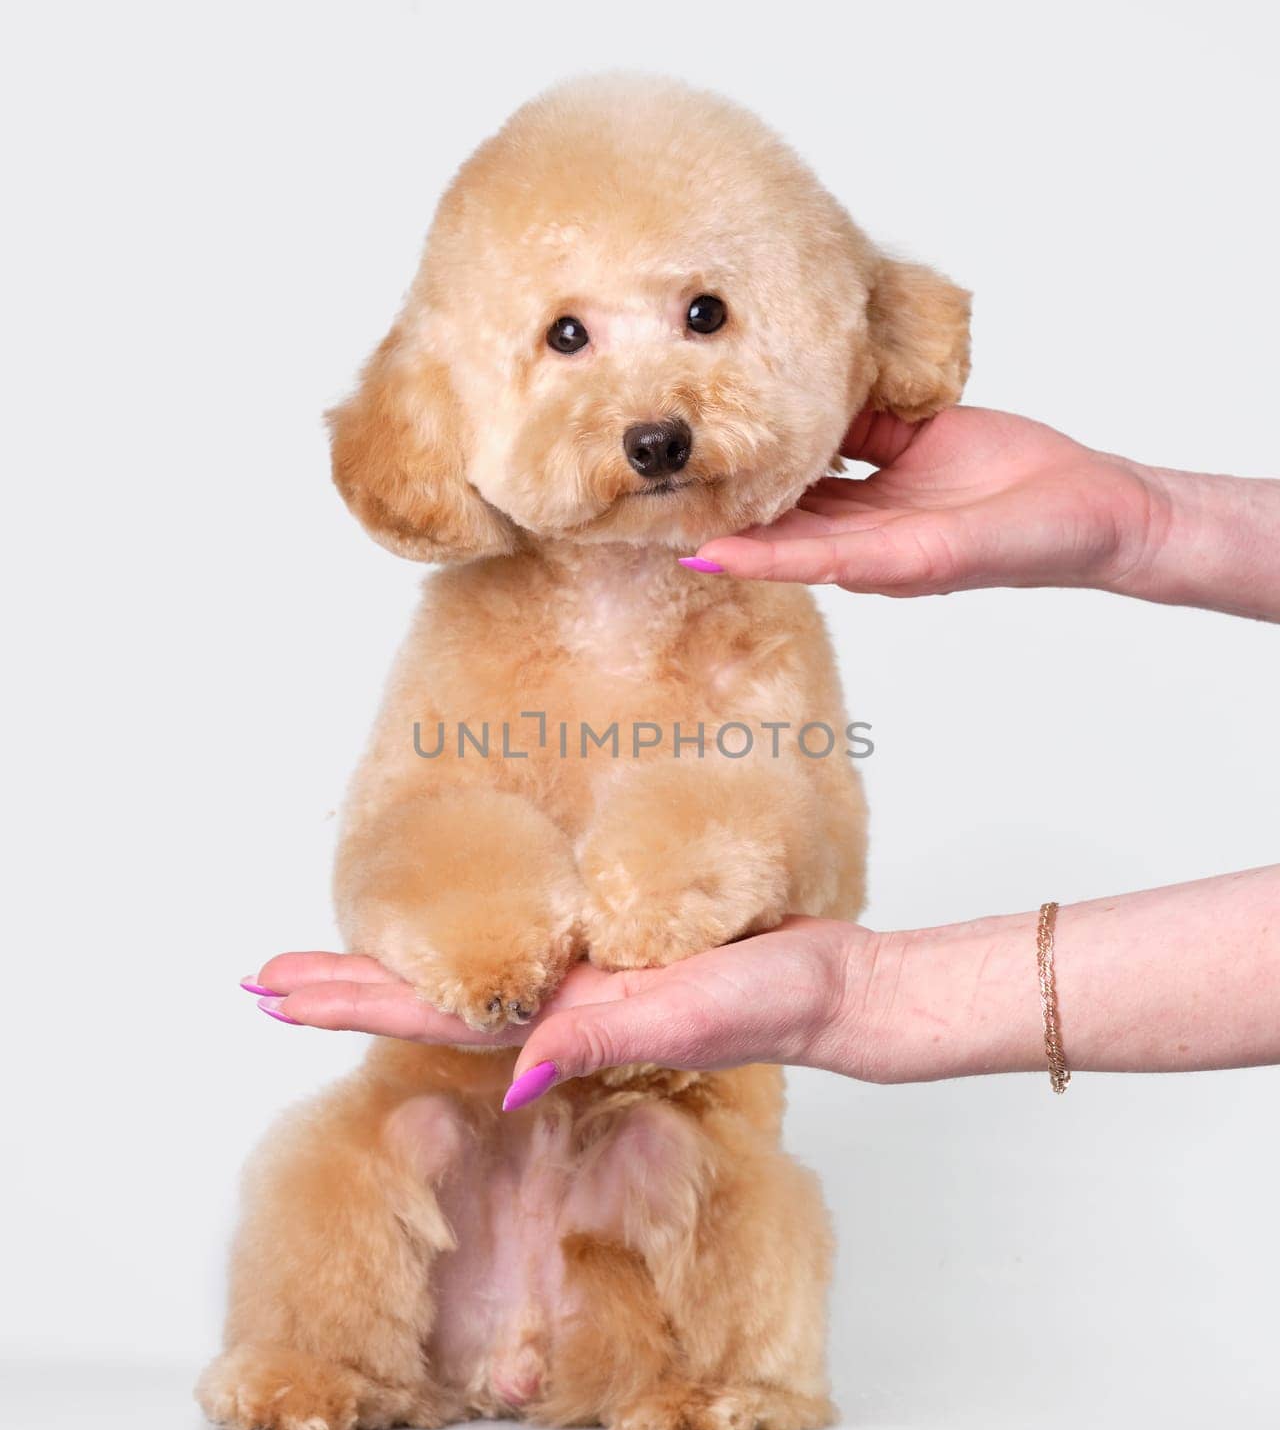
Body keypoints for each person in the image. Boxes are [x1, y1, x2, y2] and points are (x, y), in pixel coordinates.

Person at [245, 407, 1280, 1106]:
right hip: (441, 1104)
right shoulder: (464, 622)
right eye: (568, 337)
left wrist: (856, 993)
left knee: (691, 1146)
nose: (652, 413)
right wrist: (1149, 522)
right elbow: (404, 812)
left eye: (704, 315)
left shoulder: (764, 612)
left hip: (685, 1112)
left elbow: (809, 834)